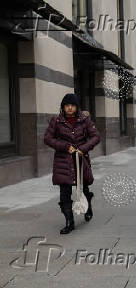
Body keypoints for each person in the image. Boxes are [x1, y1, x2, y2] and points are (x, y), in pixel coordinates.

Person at [44, 93, 100, 234]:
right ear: (63, 107)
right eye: (67, 105)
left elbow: (95, 137)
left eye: (72, 105)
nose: (69, 108)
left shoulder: (84, 120)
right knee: (65, 193)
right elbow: (48, 138)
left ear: (76, 107)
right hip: (63, 162)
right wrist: (64, 146)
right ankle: (69, 222)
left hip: (81, 161)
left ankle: (88, 208)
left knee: (84, 189)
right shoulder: (56, 121)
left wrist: (83, 148)